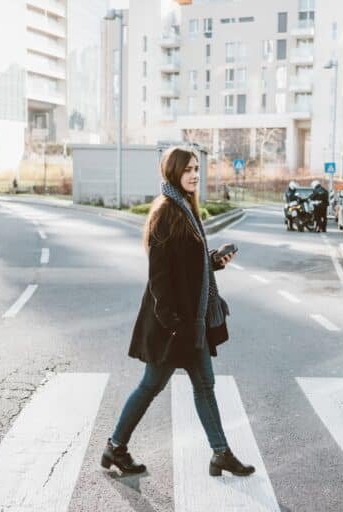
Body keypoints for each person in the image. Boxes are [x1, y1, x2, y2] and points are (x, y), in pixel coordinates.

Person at [102, 146, 255, 478]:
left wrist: (214, 261)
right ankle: (116, 447)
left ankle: (219, 453)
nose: (194, 174)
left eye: (197, 167)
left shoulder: (186, 209)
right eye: (187, 169)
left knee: (200, 385)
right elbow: (159, 280)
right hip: (172, 326)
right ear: (173, 172)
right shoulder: (166, 214)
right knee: (154, 386)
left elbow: (188, 267)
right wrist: (174, 325)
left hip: (188, 324)